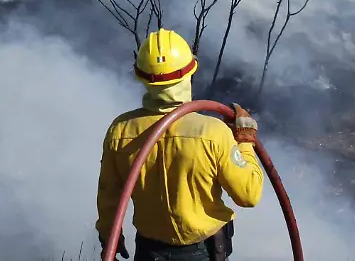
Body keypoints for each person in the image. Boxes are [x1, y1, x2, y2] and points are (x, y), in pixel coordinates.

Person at [95, 28, 264, 261]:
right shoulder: (213, 132)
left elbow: (108, 194)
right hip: (204, 252)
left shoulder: (120, 131)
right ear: (190, 71)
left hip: (149, 252)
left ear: (141, 75)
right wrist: (245, 142)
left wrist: (109, 236)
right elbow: (248, 194)